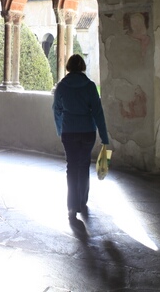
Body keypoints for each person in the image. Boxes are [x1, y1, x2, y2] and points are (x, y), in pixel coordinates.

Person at [52, 54, 110, 219]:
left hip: (69, 131)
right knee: (83, 166)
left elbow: (56, 109)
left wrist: (59, 130)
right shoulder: (90, 86)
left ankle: (72, 205)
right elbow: (98, 112)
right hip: (87, 132)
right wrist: (104, 137)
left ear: (68, 67)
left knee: (71, 167)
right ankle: (82, 202)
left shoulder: (62, 86)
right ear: (83, 67)